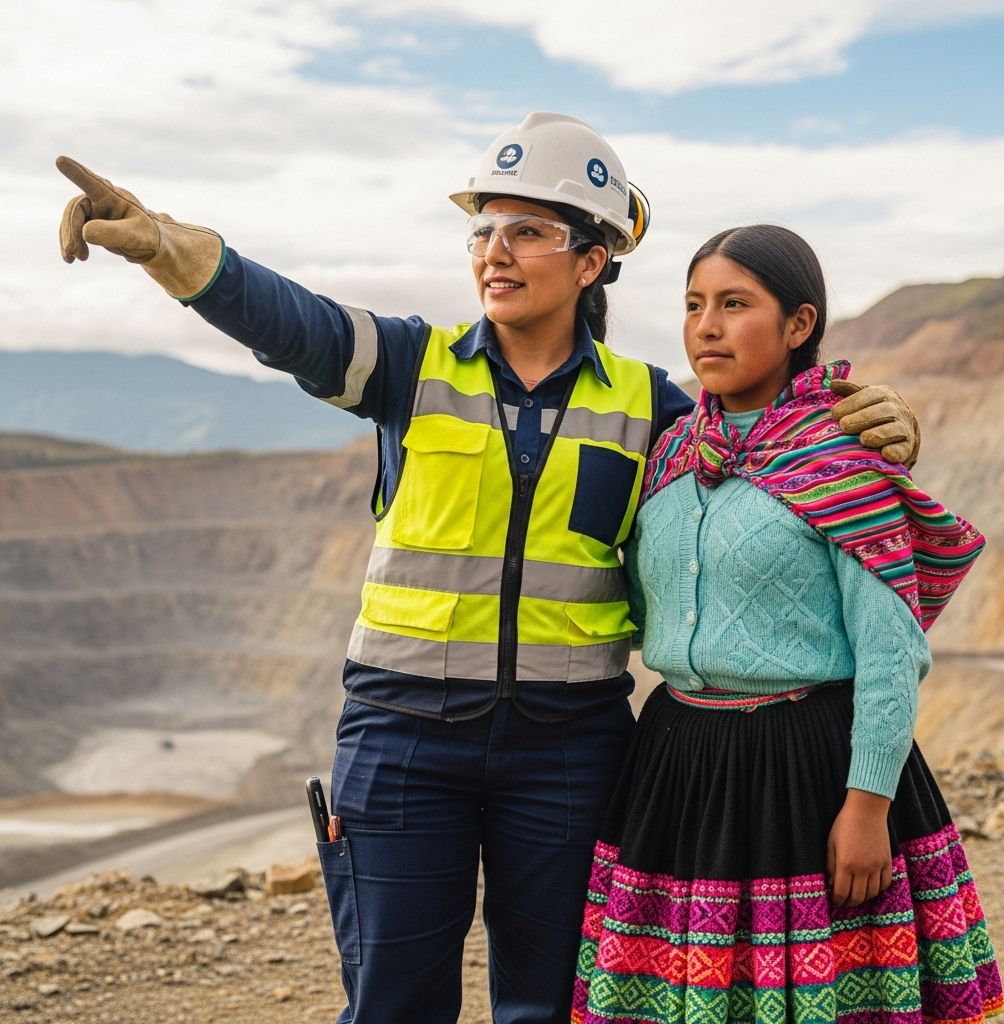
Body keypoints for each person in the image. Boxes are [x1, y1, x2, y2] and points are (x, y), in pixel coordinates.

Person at [57, 115, 920, 1024]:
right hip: (403, 740)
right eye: (483, 230)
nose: (494, 253)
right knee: (393, 1006)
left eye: (528, 232)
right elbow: (288, 323)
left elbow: (776, 449)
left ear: (592, 261)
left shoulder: (655, 409)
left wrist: (879, 418)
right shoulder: (407, 367)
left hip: (571, 749)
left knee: (547, 1009)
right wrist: (167, 248)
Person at [571, 224, 1004, 1024]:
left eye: (736, 305)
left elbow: (889, 651)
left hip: (807, 768)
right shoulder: (668, 456)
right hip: (677, 762)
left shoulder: (844, 464)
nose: (707, 326)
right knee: (680, 1001)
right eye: (695, 304)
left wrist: (868, 804)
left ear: (799, 325)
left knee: (818, 1001)